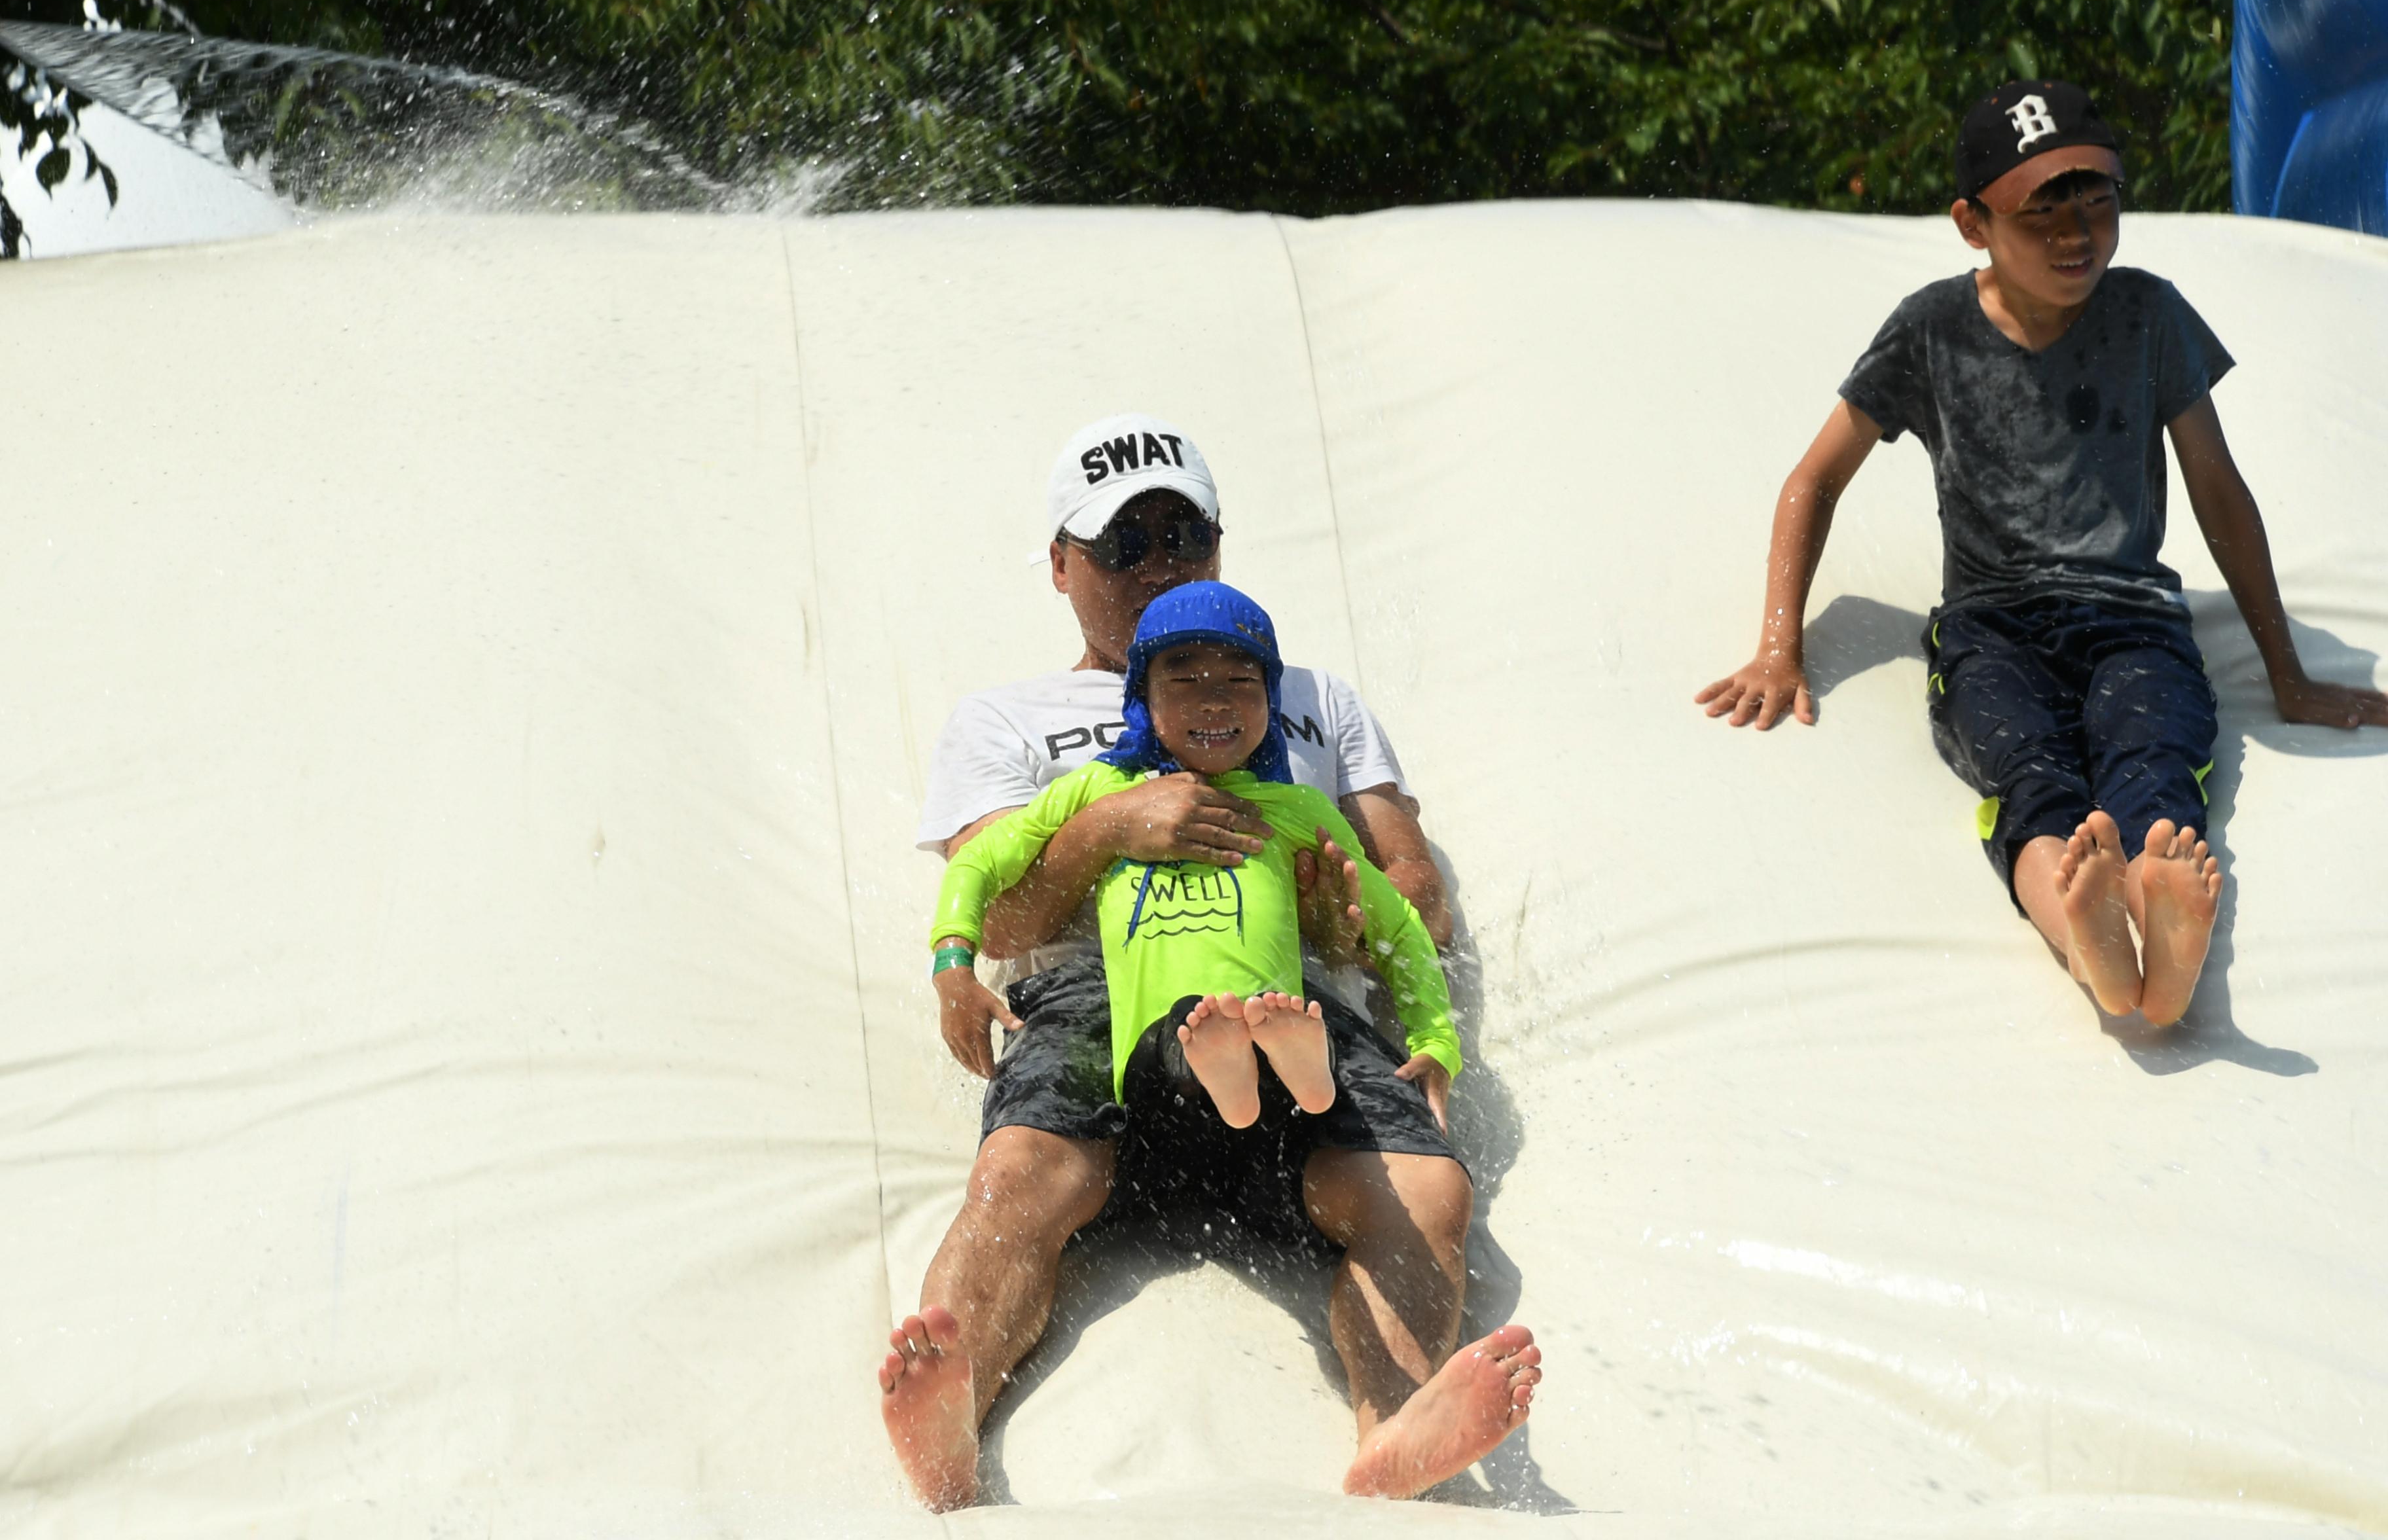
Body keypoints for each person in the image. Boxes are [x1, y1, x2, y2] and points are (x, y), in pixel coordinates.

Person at [878, 412, 1539, 1509]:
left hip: (1289, 996)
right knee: (1023, 1173)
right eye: (1122, 545)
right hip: (1096, 992)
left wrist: (1349, 926)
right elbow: (995, 917)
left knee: (1421, 1183)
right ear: (1059, 565)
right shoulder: (1008, 720)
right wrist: (1104, 831)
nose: (1158, 565)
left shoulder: (1309, 697)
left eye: (1182, 537)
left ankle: (1398, 1428)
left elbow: (1414, 885)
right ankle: (949, 1417)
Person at [1695, 80, 2388, 1026]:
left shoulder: (2149, 315)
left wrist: (2290, 673)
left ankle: (2155, 915)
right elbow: (1813, 479)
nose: (2078, 230)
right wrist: (1781, 646)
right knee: (2030, 778)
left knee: (2154, 756)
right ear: (1972, 223)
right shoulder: (1931, 330)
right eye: (2042, 209)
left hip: (2134, 620)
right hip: (1992, 629)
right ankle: (2088, 933)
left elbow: (2217, 490)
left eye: (2097, 198)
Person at [928, 580, 1462, 1138]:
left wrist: (1436, 1042)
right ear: (1143, 698)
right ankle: (1268, 1064)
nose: (1216, 700)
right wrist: (951, 965)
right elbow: (979, 863)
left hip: (1271, 1023)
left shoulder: (1296, 808)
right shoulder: (1099, 789)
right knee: (1195, 1026)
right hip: (1156, 1055)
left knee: (1261, 1019)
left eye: (1242, 681)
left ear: (1272, 701)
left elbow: (1401, 923)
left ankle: (1293, 1065)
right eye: (1184, 681)